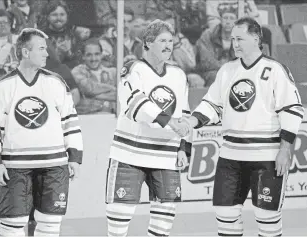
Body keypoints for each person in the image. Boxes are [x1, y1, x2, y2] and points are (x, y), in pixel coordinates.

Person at [180, 17, 304, 236]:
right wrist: (191, 121)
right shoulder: (227, 71)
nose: (234, 43)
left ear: (256, 38)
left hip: (266, 156)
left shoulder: (275, 70)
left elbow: (292, 110)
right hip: (231, 156)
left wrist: (284, 150)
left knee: (267, 215)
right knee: (225, 213)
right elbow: (212, 104)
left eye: (240, 39)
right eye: (232, 39)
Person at [0, 28, 83, 237]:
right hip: (15, 167)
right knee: (12, 225)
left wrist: (75, 157)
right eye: (42, 48)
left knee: (50, 224)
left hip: (54, 166)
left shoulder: (56, 83)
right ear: (26, 52)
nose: (47, 54)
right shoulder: (3, 87)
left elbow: (70, 121)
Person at [105, 19, 192, 237]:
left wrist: (184, 147)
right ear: (147, 43)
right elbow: (136, 106)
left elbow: (185, 113)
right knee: (118, 223)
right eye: (162, 40)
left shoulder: (178, 75)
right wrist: (170, 122)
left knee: (163, 225)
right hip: (130, 155)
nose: (168, 45)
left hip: (166, 156)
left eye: (171, 41)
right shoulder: (133, 69)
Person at [72, 38, 117, 115]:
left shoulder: (113, 72)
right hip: (86, 118)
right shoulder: (76, 71)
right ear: (83, 56)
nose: (93, 59)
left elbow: (121, 95)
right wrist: (112, 89)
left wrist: (90, 96)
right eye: (89, 55)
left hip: (111, 118)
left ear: (101, 54)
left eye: (97, 54)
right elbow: (89, 88)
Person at [195, 4, 236, 87]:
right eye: (225, 18)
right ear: (220, 20)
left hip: (233, 71)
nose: (228, 21)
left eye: (231, 18)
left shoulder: (241, 37)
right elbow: (206, 62)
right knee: (216, 76)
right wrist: (226, 68)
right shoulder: (208, 35)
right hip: (210, 72)